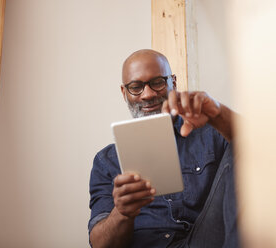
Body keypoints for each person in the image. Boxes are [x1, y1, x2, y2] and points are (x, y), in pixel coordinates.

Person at [88, 49, 238, 248]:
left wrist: (219, 114)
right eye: (136, 87)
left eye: (157, 82)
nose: (148, 94)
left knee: (241, 147)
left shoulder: (211, 134)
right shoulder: (106, 161)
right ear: (124, 93)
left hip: (207, 240)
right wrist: (122, 212)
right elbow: (99, 244)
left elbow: (262, 146)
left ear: (172, 83)